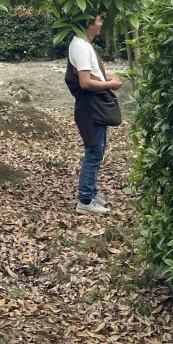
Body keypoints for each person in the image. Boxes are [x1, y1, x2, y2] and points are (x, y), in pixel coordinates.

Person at [65, 14, 122, 215]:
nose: (101, 24)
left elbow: (91, 74)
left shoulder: (85, 43)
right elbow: (85, 83)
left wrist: (106, 78)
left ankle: (91, 191)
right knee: (94, 152)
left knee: (98, 151)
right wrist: (110, 85)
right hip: (91, 107)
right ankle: (85, 200)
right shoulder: (80, 46)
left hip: (94, 106)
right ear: (88, 24)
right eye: (98, 20)